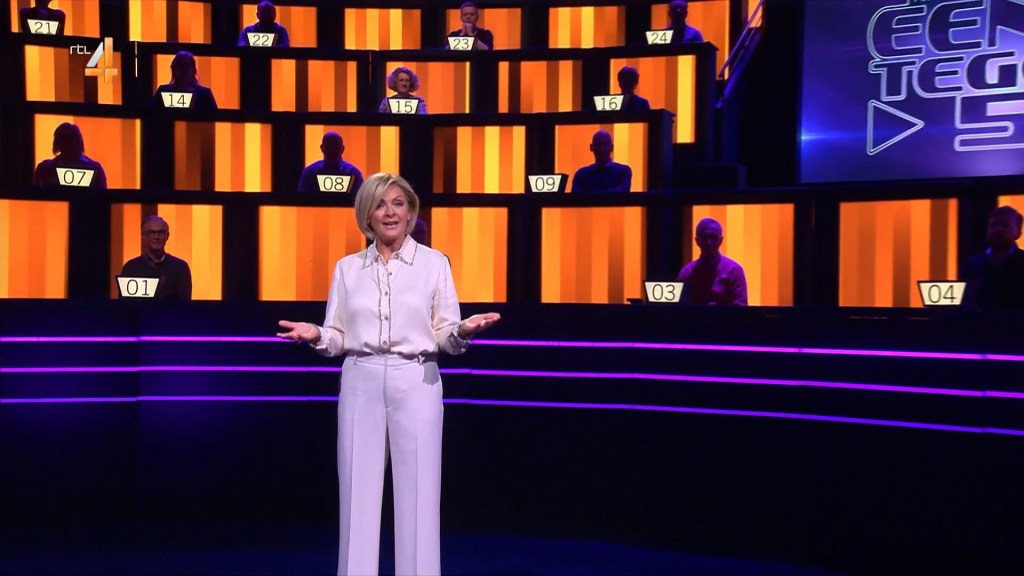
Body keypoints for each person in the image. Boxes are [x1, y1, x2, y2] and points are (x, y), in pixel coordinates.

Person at [276, 173, 500, 575]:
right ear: (367, 215)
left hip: (416, 379)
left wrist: (463, 331)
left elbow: (445, 336)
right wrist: (316, 335)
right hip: (360, 380)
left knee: (419, 497)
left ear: (411, 212)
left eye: (398, 203)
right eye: (380, 205)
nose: (390, 212)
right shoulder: (348, 269)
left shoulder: (434, 264)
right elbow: (337, 337)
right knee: (357, 496)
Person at [961, 206, 1024, 309]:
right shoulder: (972, 265)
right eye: (993, 225)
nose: (997, 230)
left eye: (1005, 226)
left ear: (1018, 233)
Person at [119, 215, 193, 300]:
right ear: (143, 236)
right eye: (152, 233)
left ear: (167, 236)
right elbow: (124, 303)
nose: (156, 237)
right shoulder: (131, 268)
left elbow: (184, 304)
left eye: (161, 232)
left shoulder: (180, 268)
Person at [676, 218, 747, 306]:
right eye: (705, 237)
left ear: (720, 240)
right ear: (697, 241)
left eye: (713, 237)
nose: (709, 242)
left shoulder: (733, 271)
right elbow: (678, 308)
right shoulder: (686, 273)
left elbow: (740, 308)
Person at [32, 122, 108, 189]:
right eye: (63, 138)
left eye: (72, 138)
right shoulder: (44, 168)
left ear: (78, 141)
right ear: (57, 142)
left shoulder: (96, 169)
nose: (68, 142)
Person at [297, 132, 365, 193]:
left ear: (342, 149)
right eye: (329, 146)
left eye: (336, 146)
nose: (333, 149)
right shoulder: (309, 173)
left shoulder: (354, 174)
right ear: (322, 148)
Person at [151, 51, 218, 110]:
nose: (183, 70)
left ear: (193, 69)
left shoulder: (205, 94)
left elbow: (214, 116)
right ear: (174, 69)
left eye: (186, 66)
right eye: (180, 66)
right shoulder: (163, 91)